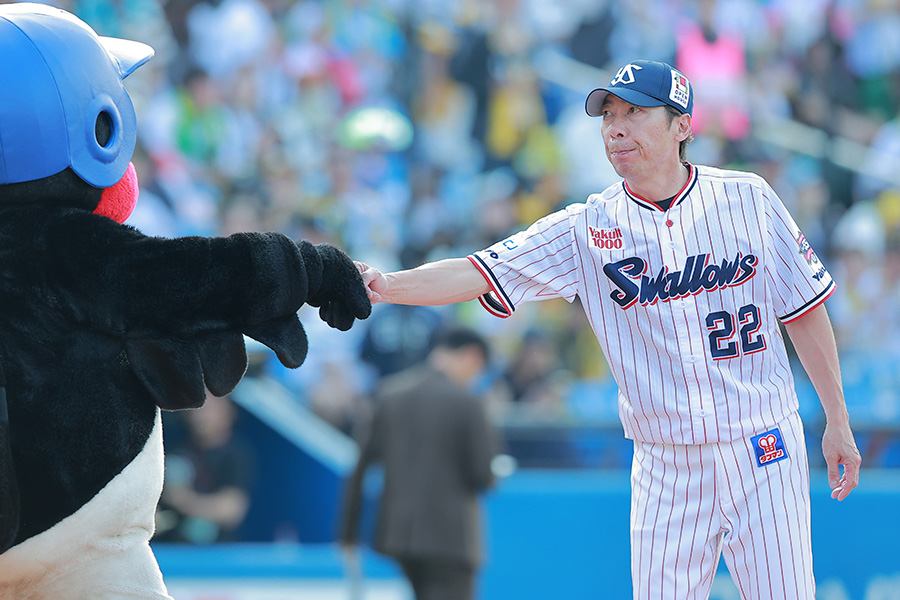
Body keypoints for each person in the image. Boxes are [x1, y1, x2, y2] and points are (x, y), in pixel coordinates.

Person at [356, 60, 862, 600]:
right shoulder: (585, 227)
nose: (616, 127)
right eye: (608, 116)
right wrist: (386, 284)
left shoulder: (749, 198)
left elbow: (804, 308)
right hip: (665, 461)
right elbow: (479, 270)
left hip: (761, 441)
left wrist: (837, 418)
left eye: (635, 113)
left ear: (682, 126)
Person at [339, 327, 500, 600]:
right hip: (452, 539)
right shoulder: (469, 402)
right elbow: (482, 475)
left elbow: (360, 468)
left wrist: (348, 535)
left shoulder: (389, 394)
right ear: (472, 356)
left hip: (398, 535)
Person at [155, 392, 255, 544]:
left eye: (209, 409)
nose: (200, 416)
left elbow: (231, 510)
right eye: (197, 408)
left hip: (215, 555)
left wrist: (184, 500)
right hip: (173, 552)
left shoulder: (236, 455)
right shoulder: (173, 452)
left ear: (228, 411)